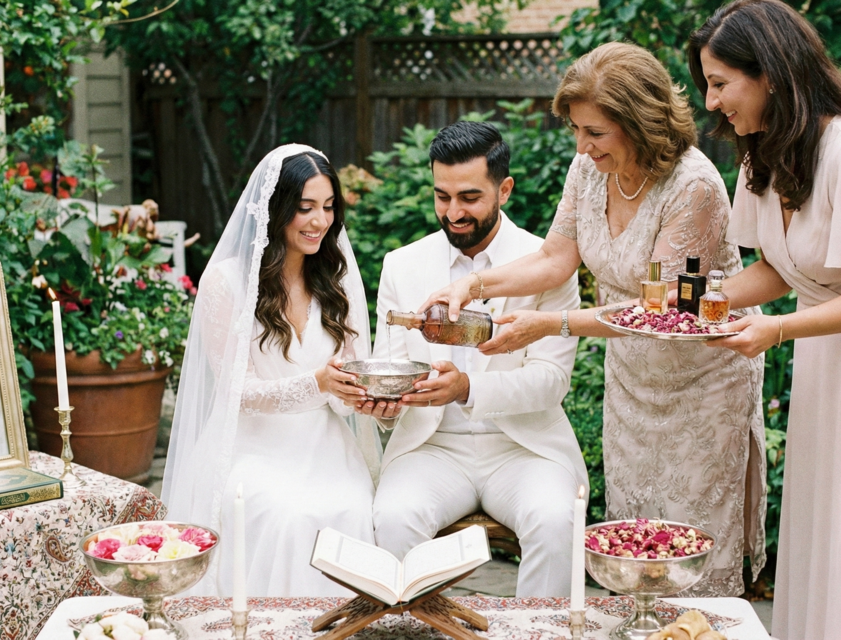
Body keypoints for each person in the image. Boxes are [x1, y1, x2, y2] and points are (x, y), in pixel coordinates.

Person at [422, 43, 766, 596]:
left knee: (686, 551)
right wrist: (473, 284)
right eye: (577, 131)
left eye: (596, 133)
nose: (581, 146)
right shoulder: (588, 170)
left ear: (640, 121)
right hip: (632, 381)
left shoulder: (693, 186)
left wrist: (550, 326)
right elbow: (557, 257)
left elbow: (665, 312)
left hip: (704, 385)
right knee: (634, 545)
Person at [362, 121, 588, 597]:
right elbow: (392, 367)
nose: (453, 212)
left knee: (555, 520)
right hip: (432, 447)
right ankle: (421, 632)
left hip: (525, 449)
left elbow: (550, 382)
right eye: (442, 197)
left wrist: (467, 388)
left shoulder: (549, 263)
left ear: (503, 188)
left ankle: (537, 635)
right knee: (393, 518)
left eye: (469, 197)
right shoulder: (402, 265)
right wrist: (385, 406)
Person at [162, 144, 381, 597]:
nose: (320, 221)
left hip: (325, 446)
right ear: (277, 207)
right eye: (305, 208)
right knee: (286, 516)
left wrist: (360, 393)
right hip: (250, 447)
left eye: (327, 207)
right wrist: (315, 382)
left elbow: (351, 378)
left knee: (353, 508)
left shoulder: (336, 280)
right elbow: (236, 391)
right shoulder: (226, 282)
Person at [688, 1, 841, 635]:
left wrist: (776, 329)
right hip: (819, 361)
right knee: (816, 518)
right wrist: (691, 306)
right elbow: (781, 270)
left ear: (771, 74)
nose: (711, 100)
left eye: (720, 82)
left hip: (821, 344)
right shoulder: (760, 158)